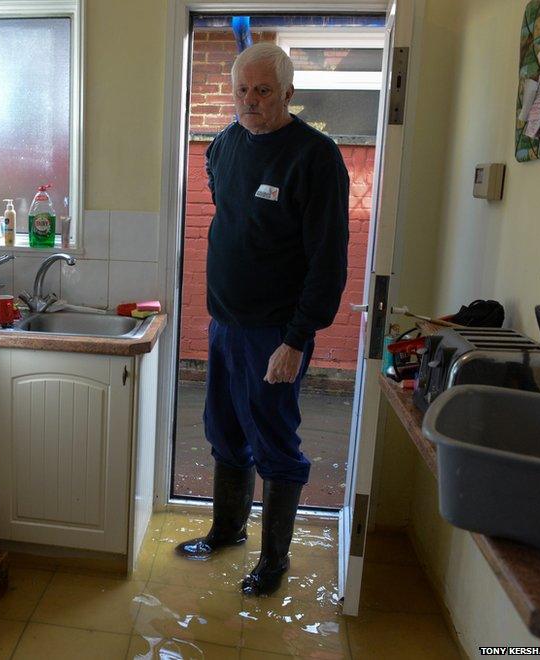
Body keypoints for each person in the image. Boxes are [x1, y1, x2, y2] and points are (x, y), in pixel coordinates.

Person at [175, 42, 349, 597]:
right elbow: (226, 201)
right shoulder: (225, 143)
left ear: (289, 93)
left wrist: (297, 340)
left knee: (275, 442)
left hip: (276, 332)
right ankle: (227, 530)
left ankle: (274, 561)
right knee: (223, 432)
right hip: (224, 322)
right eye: (242, 91)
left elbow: (328, 260)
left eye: (263, 91)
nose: (250, 101)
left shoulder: (315, 157)